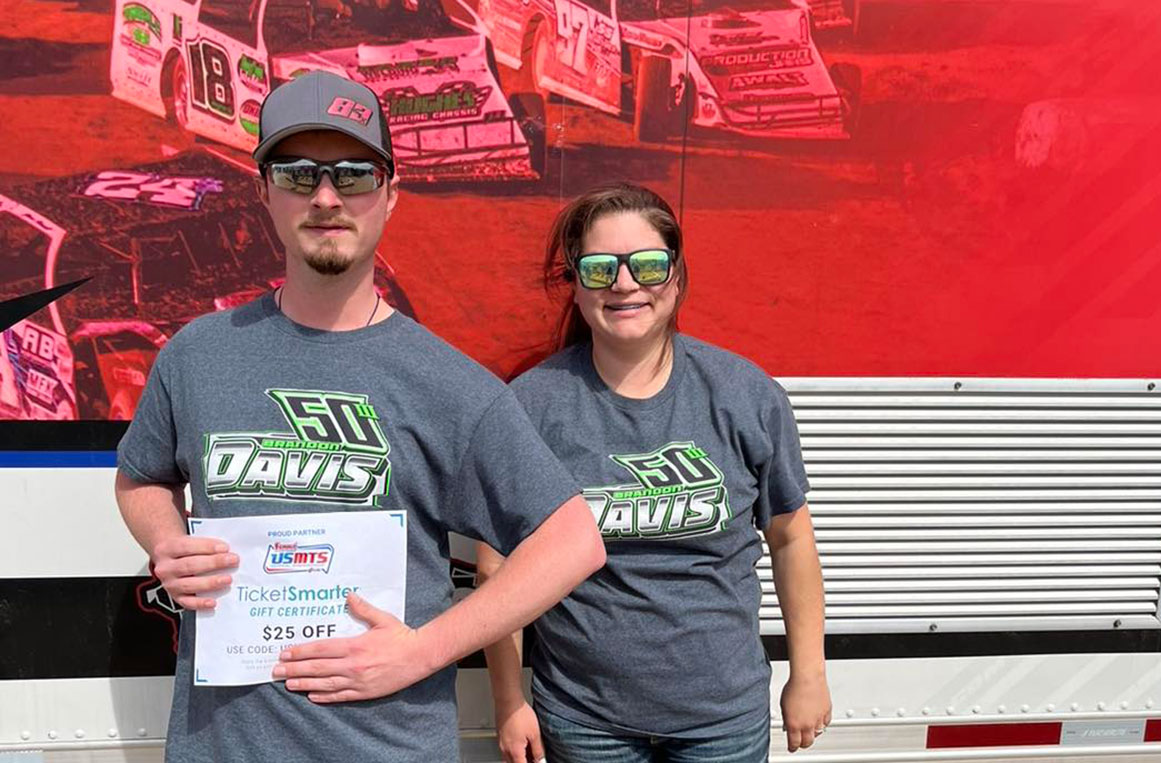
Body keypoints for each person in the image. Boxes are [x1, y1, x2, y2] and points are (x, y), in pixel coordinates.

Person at [114, 70, 605, 762]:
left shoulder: (448, 383)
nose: (324, 197)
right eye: (297, 173)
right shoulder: (198, 354)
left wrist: (423, 651)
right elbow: (140, 477)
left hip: (388, 747)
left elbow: (575, 540)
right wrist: (166, 539)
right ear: (263, 191)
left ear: (390, 194)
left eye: (352, 174)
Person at [479, 182, 831, 762]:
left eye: (646, 264)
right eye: (599, 268)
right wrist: (509, 700)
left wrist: (809, 674)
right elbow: (496, 565)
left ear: (676, 272)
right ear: (575, 281)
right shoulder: (532, 406)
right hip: (583, 719)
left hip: (722, 722)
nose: (623, 284)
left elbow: (791, 538)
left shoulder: (744, 395)